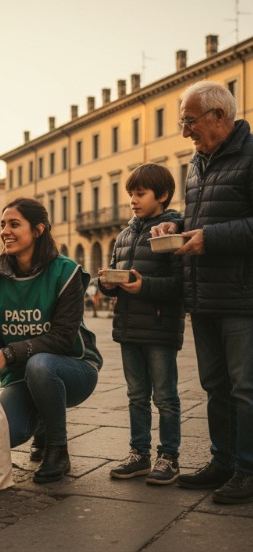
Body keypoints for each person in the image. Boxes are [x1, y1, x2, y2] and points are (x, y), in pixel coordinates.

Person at [150, 80, 253, 504]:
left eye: (189, 121)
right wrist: (176, 225)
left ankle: (247, 470)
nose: (184, 131)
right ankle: (222, 461)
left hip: (243, 297)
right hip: (205, 294)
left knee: (245, 388)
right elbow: (202, 217)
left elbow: (222, 227)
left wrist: (210, 238)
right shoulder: (198, 163)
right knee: (214, 385)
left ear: (219, 116)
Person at [0, 197, 102, 484]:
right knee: (1, 434)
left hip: (73, 369)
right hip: (22, 376)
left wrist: (7, 354)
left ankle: (57, 449)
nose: (5, 231)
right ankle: (43, 421)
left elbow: (62, 338)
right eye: (3, 225)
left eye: (14, 224)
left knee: (40, 364)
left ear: (38, 230)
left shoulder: (66, 272)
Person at [98, 164, 184, 485]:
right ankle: (139, 454)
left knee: (164, 397)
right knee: (136, 395)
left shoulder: (171, 231)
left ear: (162, 196)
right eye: (130, 194)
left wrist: (144, 285)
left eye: (140, 194)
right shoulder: (125, 235)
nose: (133, 200)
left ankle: (169, 456)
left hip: (160, 327)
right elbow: (115, 273)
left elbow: (180, 285)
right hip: (128, 327)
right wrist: (107, 283)